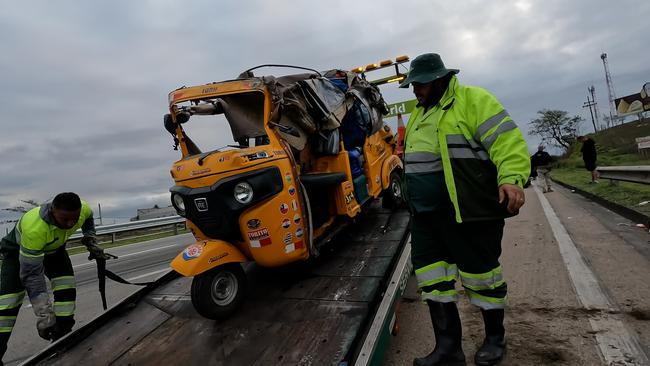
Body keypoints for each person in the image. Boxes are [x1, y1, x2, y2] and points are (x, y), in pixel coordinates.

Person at [400, 53, 530, 366]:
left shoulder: (474, 100)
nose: (414, 90)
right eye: (412, 84)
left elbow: (507, 142)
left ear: (438, 79)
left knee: (483, 276)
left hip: (468, 211)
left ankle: (495, 340)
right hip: (426, 217)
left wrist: (511, 179)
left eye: (419, 84)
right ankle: (448, 349)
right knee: (433, 282)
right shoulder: (419, 114)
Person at [0, 192, 107, 364]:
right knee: (7, 304)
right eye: (65, 219)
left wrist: (90, 237)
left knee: (66, 291)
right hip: (17, 254)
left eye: (75, 219)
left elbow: (88, 217)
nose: (71, 223)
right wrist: (45, 315)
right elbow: (32, 277)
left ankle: (61, 338)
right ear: (52, 211)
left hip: (54, 251)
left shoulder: (83, 210)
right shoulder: (35, 228)